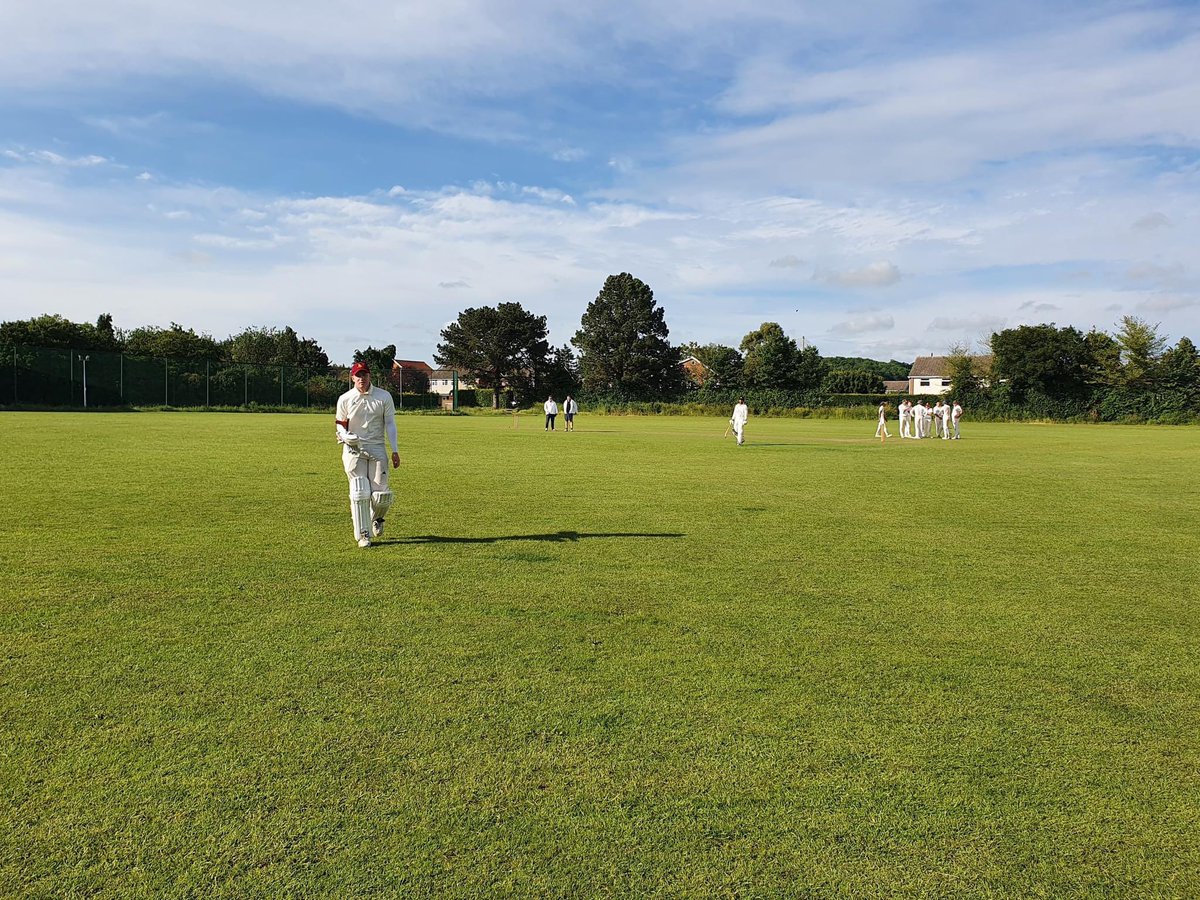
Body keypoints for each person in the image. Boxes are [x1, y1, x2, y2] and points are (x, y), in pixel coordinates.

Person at [335, 361, 400, 548]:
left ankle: (377, 518)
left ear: (369, 376)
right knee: (360, 491)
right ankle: (363, 535)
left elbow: (390, 424)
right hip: (354, 449)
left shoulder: (383, 396)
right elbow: (340, 424)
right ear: (352, 377)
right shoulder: (345, 399)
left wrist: (395, 450)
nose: (361, 378)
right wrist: (346, 436)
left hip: (377, 447)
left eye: (364, 374)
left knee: (381, 495)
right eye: (358, 375)